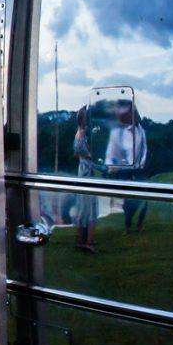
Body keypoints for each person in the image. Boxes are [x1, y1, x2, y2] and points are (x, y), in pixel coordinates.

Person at [105, 100, 148, 233]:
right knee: (127, 201)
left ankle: (140, 224)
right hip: (124, 171)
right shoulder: (117, 133)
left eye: (130, 112)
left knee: (144, 199)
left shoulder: (140, 130)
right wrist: (111, 166)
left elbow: (145, 148)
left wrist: (143, 161)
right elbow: (110, 153)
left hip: (138, 170)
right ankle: (128, 226)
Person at [73, 106, 97, 253]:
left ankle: (80, 239)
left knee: (83, 209)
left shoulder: (79, 135)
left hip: (82, 172)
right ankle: (88, 241)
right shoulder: (82, 135)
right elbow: (86, 154)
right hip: (87, 174)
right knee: (91, 210)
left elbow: (76, 153)